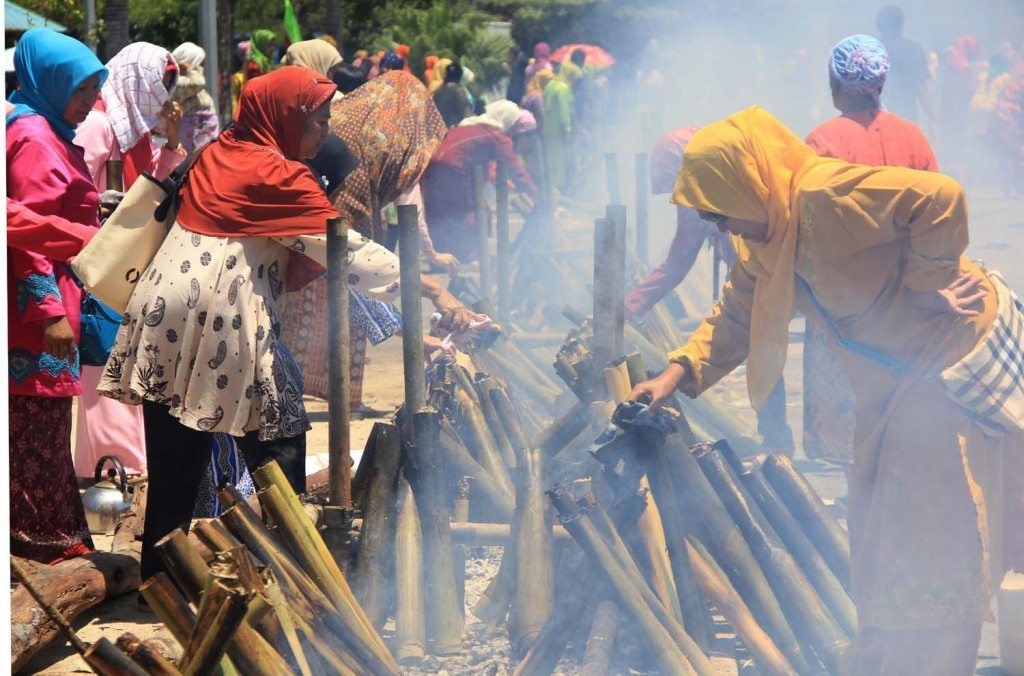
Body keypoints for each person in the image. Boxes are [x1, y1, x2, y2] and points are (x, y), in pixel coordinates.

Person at [629, 105, 1016, 674]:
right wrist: (674, 375)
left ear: (746, 183)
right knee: (878, 516)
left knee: (935, 516)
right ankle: (902, 647)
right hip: (892, 374)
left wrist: (927, 283)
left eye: (719, 213)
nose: (720, 229)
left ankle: (943, 654)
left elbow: (941, 198)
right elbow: (737, 312)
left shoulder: (822, 195)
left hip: (945, 350)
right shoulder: (767, 236)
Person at [98, 65, 402, 584]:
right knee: (278, 441)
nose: (325, 130)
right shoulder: (281, 175)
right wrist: (419, 284)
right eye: (318, 120)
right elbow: (343, 250)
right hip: (224, 316)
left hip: (160, 311)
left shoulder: (216, 151)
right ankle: (291, 567)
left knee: (175, 457)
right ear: (285, 118)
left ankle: (161, 584)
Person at [282, 69, 482, 416]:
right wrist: (433, 288)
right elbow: (355, 267)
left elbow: (356, 280)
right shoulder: (351, 169)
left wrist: (418, 337)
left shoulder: (344, 132)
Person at [803, 35, 938, 465]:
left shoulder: (822, 141)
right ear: (880, 85)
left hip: (843, 302)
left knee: (847, 407)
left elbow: (807, 226)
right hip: (905, 295)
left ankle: (854, 486)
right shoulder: (912, 136)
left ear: (834, 85)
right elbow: (936, 216)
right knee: (901, 400)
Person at [626, 126, 791, 453]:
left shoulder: (710, 189)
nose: (718, 225)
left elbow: (677, 262)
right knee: (759, 336)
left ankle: (776, 439)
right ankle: (776, 437)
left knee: (762, 340)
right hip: (757, 280)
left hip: (765, 276)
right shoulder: (721, 183)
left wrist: (629, 307)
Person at [6, 28, 107, 563]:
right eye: (83, 88)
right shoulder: (35, 138)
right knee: (36, 429)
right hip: (35, 312)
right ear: (52, 81)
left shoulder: (41, 125)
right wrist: (50, 314)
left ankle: (52, 532)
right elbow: (27, 239)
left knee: (43, 429)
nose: (93, 100)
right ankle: (40, 541)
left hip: (48, 299)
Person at [73, 41, 188, 482]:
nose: (162, 97)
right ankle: (115, 469)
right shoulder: (101, 124)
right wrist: (98, 203)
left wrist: (173, 142)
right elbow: (75, 192)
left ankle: (122, 468)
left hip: (129, 266)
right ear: (136, 80)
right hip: (102, 268)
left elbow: (156, 188)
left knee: (125, 364)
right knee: (105, 363)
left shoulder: (133, 129)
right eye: (158, 85)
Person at [421, 100, 538, 262]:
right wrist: (535, 194)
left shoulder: (468, 125)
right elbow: (514, 168)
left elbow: (487, 167)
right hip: (455, 170)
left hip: (432, 167)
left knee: (441, 211)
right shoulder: (496, 135)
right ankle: (471, 255)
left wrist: (502, 183)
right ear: (508, 119)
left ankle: (441, 254)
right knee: (473, 211)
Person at [875, 5, 930, 123]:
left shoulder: (869, 51)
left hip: (876, 120)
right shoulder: (914, 49)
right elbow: (921, 89)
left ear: (879, 26)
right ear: (901, 24)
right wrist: (933, 117)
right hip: (906, 119)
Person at [170, 42, 220, 153]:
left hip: (203, 133)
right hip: (195, 136)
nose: (201, 68)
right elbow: (198, 82)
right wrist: (191, 70)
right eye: (199, 64)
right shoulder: (177, 82)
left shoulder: (185, 80)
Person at [542, 61, 582, 194]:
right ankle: (559, 189)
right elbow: (564, 110)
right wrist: (568, 129)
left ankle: (551, 186)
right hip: (559, 129)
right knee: (560, 159)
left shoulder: (550, 84)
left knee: (551, 158)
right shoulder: (563, 88)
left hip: (547, 127)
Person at [433, 61, 473, 127]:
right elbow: (467, 114)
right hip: (458, 128)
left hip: (443, 129)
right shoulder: (458, 90)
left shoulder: (438, 91)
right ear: (460, 75)